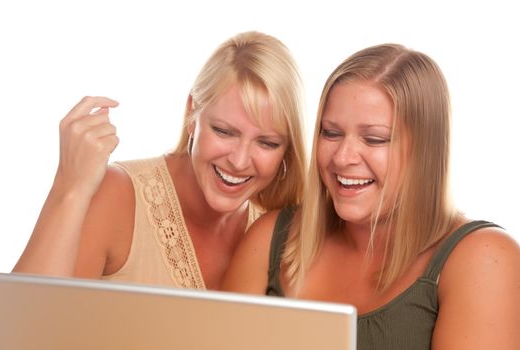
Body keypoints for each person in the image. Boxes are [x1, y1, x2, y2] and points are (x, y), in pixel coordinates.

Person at [222, 43, 520, 348]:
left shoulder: (484, 258)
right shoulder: (271, 237)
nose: (342, 157)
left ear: (425, 152)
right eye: (331, 132)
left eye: (374, 139)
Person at [12, 31, 307, 291]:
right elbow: (20, 329)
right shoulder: (117, 195)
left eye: (267, 143)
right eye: (224, 131)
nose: (240, 161)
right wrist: (70, 187)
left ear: (286, 150)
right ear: (193, 114)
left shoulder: (277, 231)